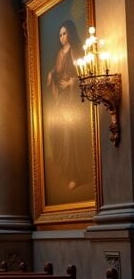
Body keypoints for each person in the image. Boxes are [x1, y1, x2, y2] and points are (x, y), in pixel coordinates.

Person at [46, 19, 89, 192]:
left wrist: (73, 82)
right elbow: (57, 71)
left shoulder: (76, 50)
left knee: (70, 135)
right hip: (62, 99)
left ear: (70, 33)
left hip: (73, 98)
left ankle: (75, 175)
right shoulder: (59, 53)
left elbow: (84, 72)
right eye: (60, 35)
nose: (62, 37)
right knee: (55, 132)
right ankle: (66, 168)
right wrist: (50, 73)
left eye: (65, 33)